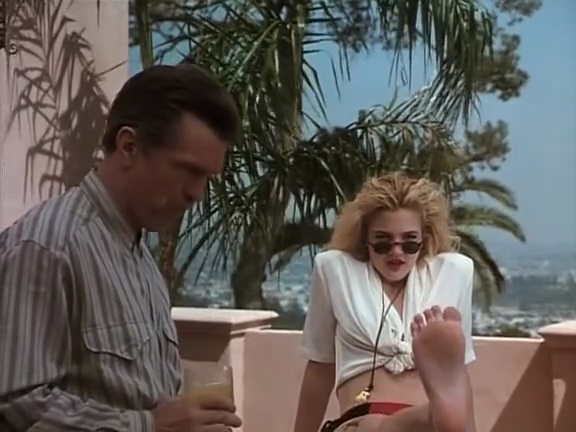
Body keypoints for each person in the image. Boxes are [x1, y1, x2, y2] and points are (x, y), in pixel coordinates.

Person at [0, 64, 243, 432]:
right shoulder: (48, 248)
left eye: (206, 178)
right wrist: (147, 426)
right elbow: (16, 402)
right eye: (188, 171)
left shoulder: (138, 253)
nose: (196, 193)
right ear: (129, 146)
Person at [293, 172, 476, 432]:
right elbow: (320, 367)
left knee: (420, 421)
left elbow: (457, 372)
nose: (396, 253)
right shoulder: (335, 270)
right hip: (363, 417)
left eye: (409, 244)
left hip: (428, 423)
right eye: (383, 243)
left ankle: (436, 415)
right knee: (375, 426)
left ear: (424, 239)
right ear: (364, 239)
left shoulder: (453, 273)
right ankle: (434, 415)